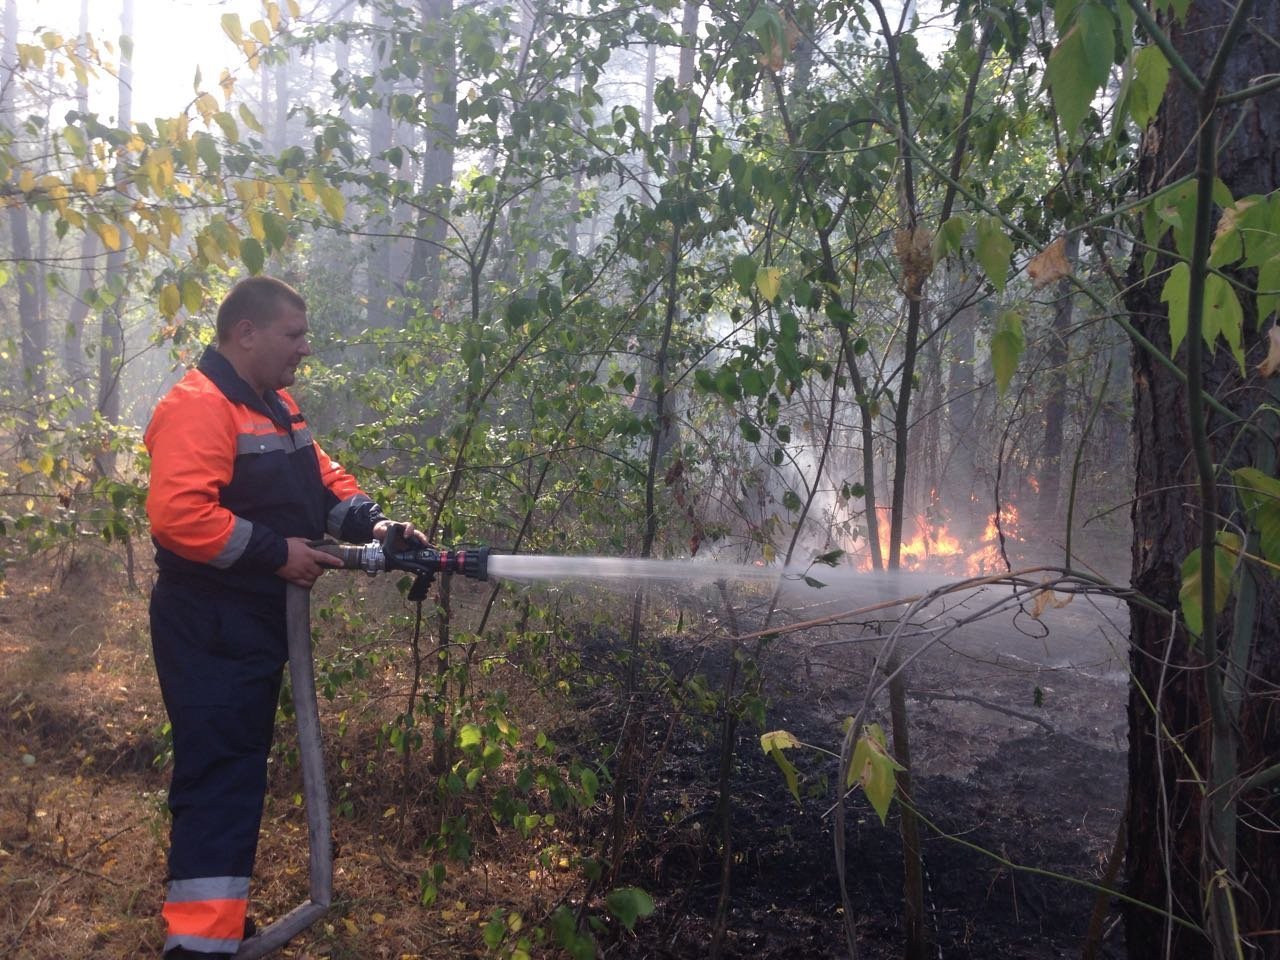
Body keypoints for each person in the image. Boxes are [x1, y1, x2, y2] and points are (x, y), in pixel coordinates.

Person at [145, 276, 421, 959]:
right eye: (293, 335)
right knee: (220, 777)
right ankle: (198, 947)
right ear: (247, 334)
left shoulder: (275, 407)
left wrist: (376, 523)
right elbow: (180, 517)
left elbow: (320, 481)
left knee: (237, 770)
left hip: (249, 622)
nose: (305, 347)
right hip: (207, 621)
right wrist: (276, 555)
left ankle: (214, 928)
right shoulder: (199, 405)